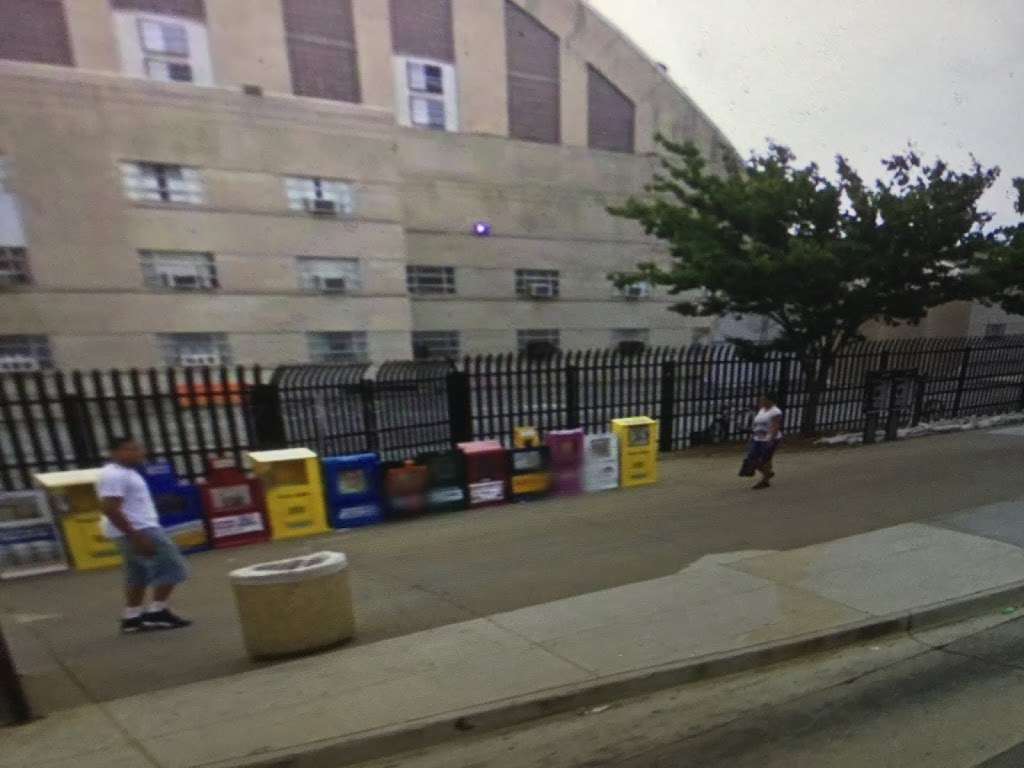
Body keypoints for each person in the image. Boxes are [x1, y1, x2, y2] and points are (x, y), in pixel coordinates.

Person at [97, 437, 192, 634]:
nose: (138, 453)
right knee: (173, 567)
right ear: (114, 453)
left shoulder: (126, 472)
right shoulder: (115, 475)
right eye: (129, 449)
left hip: (134, 529)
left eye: (138, 448)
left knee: (137, 574)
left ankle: (132, 617)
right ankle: (158, 611)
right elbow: (110, 508)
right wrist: (136, 537)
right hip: (140, 529)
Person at [743, 395, 783, 490]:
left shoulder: (776, 412)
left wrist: (771, 439)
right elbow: (757, 424)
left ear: (770, 400)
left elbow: (775, 426)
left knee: (764, 460)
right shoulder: (762, 409)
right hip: (757, 438)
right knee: (751, 459)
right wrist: (753, 435)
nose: (760, 401)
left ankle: (765, 480)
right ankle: (768, 474)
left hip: (768, 439)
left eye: (763, 399)